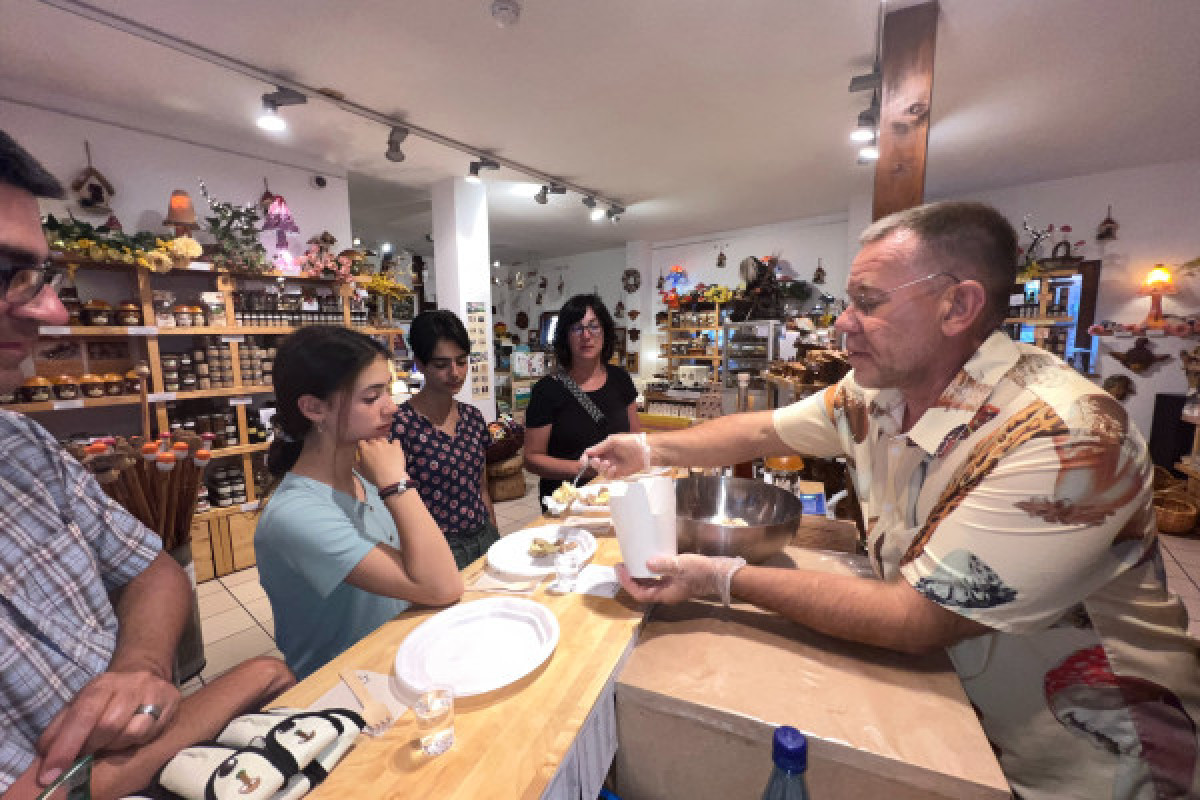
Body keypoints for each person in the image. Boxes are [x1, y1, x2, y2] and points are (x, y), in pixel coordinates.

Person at [587, 202, 1200, 799]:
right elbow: (762, 430)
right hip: (959, 722)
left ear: (957, 306)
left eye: (869, 302)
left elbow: (917, 618)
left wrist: (719, 576)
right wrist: (645, 449)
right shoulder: (875, 394)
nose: (842, 322)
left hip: (1085, 762)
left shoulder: (1066, 436)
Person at [0, 130, 295, 800]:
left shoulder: (22, 447)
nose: (53, 311)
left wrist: (141, 664)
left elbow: (152, 567)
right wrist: (247, 681)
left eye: (41, 276)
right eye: (8, 273)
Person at [255, 325, 462, 681]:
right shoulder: (297, 515)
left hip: (399, 660)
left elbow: (425, 573)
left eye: (388, 391)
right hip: (346, 690)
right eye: (371, 398)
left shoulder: (361, 478)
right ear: (313, 408)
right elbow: (442, 586)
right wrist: (397, 484)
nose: (391, 408)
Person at [391, 309, 498, 569]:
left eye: (462, 362)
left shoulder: (472, 417)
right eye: (441, 365)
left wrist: (495, 534)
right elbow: (395, 506)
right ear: (419, 363)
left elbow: (481, 487)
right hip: (436, 548)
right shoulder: (400, 425)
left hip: (483, 535)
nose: (455, 373)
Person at [525, 293, 641, 506]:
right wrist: (581, 469)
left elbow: (635, 438)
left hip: (617, 494)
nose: (586, 335)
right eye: (577, 328)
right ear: (565, 336)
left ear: (605, 332)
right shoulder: (547, 390)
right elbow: (531, 459)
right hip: (568, 502)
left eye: (593, 326)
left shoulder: (621, 379)